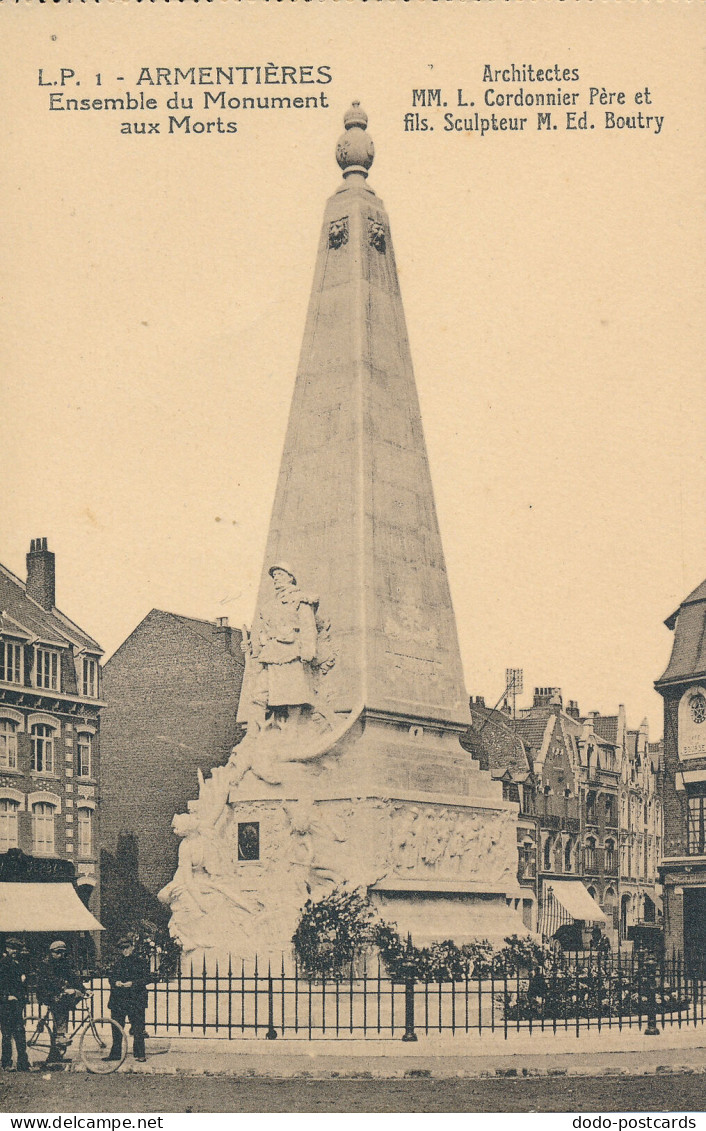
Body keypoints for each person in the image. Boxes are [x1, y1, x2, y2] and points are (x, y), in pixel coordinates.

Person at [35, 940, 86, 1064]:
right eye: (58, 953)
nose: (60, 955)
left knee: (66, 1003)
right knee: (60, 1005)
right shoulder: (46, 964)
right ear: (52, 952)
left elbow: (72, 976)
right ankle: (60, 1036)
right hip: (47, 993)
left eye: (63, 953)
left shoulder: (64, 963)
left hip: (58, 992)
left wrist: (82, 989)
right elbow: (51, 980)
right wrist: (64, 987)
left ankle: (56, 1050)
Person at [105, 936, 152, 1062]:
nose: (125, 951)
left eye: (127, 948)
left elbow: (147, 978)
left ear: (132, 947)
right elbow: (111, 978)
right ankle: (115, 1054)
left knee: (138, 1027)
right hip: (119, 1000)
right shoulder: (117, 963)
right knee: (116, 1028)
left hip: (135, 999)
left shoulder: (141, 962)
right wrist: (116, 983)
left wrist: (133, 983)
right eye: (122, 949)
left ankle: (140, 1053)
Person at [0, 937, 30, 1072]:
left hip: (17, 1005)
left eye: (17, 949)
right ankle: (6, 1063)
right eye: (12, 948)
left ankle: (23, 1063)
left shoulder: (18, 964)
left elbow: (21, 985)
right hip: (5, 1005)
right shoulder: (3, 964)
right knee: (7, 1035)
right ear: (7, 948)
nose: (15, 951)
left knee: (20, 1033)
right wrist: (6, 996)